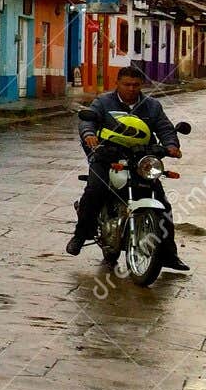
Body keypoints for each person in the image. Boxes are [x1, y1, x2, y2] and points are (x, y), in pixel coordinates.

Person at [66, 65, 187, 270]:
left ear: (141, 85)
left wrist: (172, 146)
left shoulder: (152, 106)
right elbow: (88, 121)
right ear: (118, 84)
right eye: (127, 84)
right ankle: (81, 235)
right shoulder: (103, 102)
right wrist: (89, 134)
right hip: (107, 154)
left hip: (140, 157)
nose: (131, 88)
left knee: (162, 202)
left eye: (136, 85)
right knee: (95, 190)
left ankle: (169, 254)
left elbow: (165, 128)